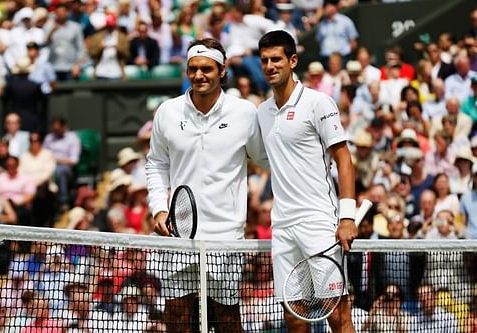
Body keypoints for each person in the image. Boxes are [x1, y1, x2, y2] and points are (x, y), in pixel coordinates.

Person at [145, 37, 268, 333]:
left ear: (222, 71)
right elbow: (156, 164)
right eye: (193, 69)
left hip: (226, 235)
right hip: (179, 234)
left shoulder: (245, 113)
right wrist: (159, 209)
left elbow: (266, 160)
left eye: (207, 69)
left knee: (226, 319)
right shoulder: (167, 112)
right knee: (177, 317)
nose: (199, 75)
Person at [257, 30, 357, 333]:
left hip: (319, 222)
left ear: (293, 61)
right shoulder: (262, 111)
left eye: (277, 59)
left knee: (337, 315)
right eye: (265, 60)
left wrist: (347, 216)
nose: (270, 65)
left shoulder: (318, 103)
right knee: (293, 316)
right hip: (283, 226)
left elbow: (344, 158)